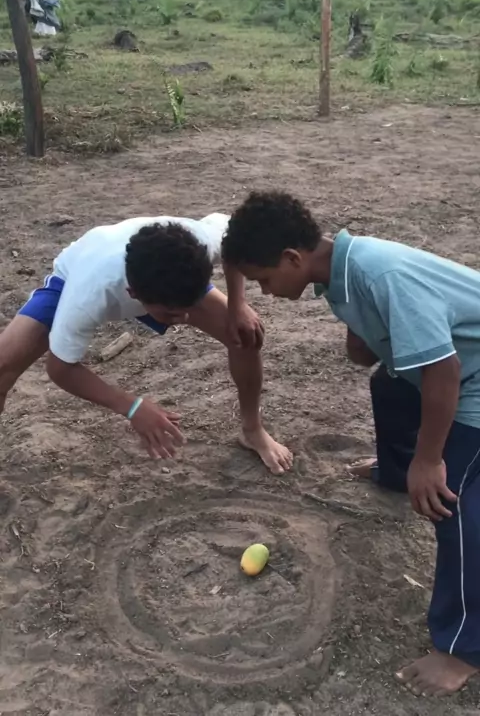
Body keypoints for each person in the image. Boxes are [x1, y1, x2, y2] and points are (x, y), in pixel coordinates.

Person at [221, 189, 480, 697]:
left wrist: (429, 460)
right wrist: (363, 334)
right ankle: (395, 473)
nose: (265, 291)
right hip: (457, 366)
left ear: (292, 258)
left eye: (264, 279)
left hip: (470, 380)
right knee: (389, 383)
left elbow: (443, 372)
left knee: (453, 502)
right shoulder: (339, 269)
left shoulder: (379, 274)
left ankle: (463, 649)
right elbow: (374, 352)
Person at [0, 212, 293, 475]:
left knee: (244, 334)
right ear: (133, 295)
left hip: (167, 270)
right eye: (171, 314)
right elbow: (60, 367)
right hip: (76, 274)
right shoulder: (87, 294)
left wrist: (237, 305)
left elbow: (233, 240)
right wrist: (132, 407)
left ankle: (252, 430)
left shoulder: (199, 243)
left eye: (188, 308)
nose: (182, 320)